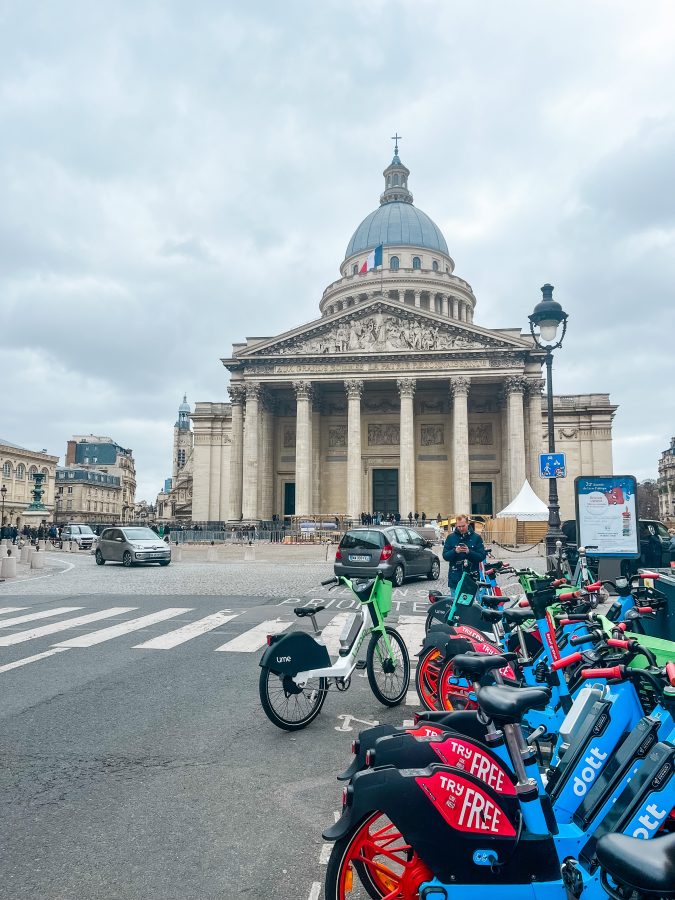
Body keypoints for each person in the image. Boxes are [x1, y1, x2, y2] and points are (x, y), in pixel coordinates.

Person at [442, 514, 487, 594]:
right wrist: (455, 551)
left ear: (468, 524)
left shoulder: (476, 538)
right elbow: (445, 556)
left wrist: (469, 552)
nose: (461, 528)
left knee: (472, 605)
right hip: (455, 577)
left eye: (463, 526)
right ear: (456, 525)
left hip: (472, 577)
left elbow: (482, 556)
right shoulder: (450, 537)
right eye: (459, 526)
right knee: (455, 604)